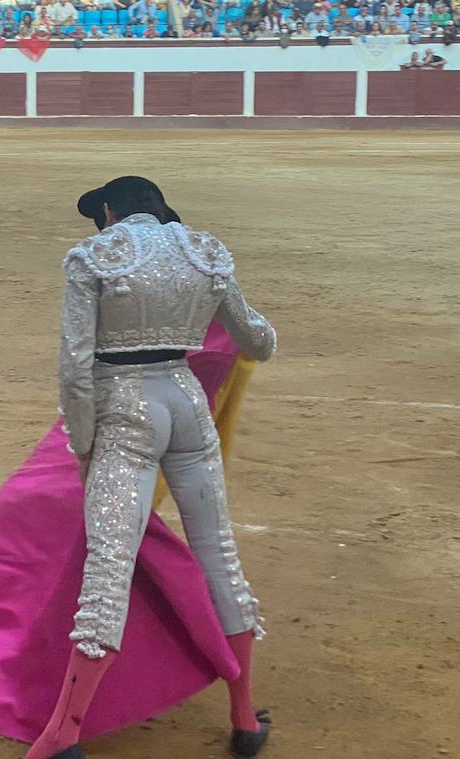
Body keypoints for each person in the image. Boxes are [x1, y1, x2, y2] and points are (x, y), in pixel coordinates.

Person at [24, 176, 276, 759]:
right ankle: (243, 719)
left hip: (122, 411)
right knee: (219, 555)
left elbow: (74, 364)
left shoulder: (94, 256)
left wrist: (85, 446)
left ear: (111, 211)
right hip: (187, 406)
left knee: (109, 567)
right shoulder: (206, 252)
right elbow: (258, 341)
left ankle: (62, 734)